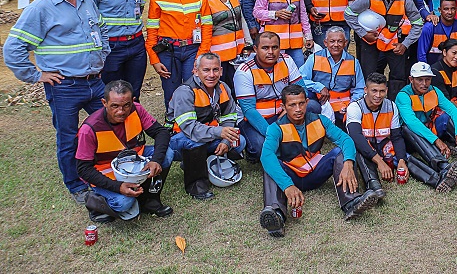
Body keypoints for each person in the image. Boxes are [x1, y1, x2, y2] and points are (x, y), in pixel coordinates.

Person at [4, 0, 109, 204]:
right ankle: (76, 185)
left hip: (95, 81)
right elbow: (12, 49)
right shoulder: (40, 8)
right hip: (65, 86)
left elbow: (101, 29)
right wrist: (36, 75)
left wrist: (102, 56)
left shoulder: (86, 0)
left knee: (109, 125)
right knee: (68, 137)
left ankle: (105, 169)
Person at [258, 85, 380, 237]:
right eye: (292, 105)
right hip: (291, 176)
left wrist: (349, 162)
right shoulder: (275, 128)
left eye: (301, 103)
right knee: (269, 164)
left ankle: (351, 202)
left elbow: (345, 139)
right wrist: (287, 185)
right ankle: (276, 215)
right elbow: (266, 156)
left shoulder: (320, 120)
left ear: (307, 102)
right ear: (283, 106)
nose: (298, 109)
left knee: (340, 152)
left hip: (316, 173)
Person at [75, 80, 173, 222]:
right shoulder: (89, 129)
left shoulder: (137, 110)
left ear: (132, 101)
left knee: (167, 154)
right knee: (123, 204)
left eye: (126, 105)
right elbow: (83, 169)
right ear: (104, 103)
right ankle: (94, 202)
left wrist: (155, 160)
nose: (121, 111)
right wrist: (118, 186)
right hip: (106, 173)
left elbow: (161, 132)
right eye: (114, 106)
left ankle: (149, 201)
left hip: (134, 162)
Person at [166, 53, 244, 200]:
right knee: (195, 141)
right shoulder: (185, 91)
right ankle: (196, 185)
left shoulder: (223, 87)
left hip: (207, 135)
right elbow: (190, 129)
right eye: (206, 70)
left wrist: (225, 141)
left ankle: (201, 163)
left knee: (240, 142)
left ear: (221, 71)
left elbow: (230, 118)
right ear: (195, 71)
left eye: (215, 70)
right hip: (178, 139)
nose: (211, 75)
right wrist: (219, 132)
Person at [82, 0, 148, 98]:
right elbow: (85, 19)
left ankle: (133, 123)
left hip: (136, 46)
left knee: (133, 93)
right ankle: (113, 124)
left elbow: (139, 9)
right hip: (110, 47)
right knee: (111, 95)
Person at [345, 0, 426, 97]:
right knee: (369, 74)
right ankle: (370, 105)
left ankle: (395, 107)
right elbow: (349, 14)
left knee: (398, 77)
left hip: (394, 43)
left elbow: (417, 23)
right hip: (370, 42)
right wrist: (363, 34)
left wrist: (405, 44)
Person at [146, 0, 213, 103]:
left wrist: (201, 55)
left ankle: (194, 123)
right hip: (168, 51)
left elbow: (207, 27)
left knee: (194, 87)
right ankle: (172, 122)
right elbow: (152, 32)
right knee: (171, 90)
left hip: (192, 50)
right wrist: (154, 60)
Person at [395, 63, 457, 190]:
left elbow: (454, 110)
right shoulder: (403, 95)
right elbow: (412, 122)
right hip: (409, 138)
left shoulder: (434, 90)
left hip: (429, 130)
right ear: (411, 79)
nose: (424, 83)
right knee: (409, 128)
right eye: (420, 79)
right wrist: (437, 141)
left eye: (428, 79)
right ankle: (443, 166)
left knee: (454, 118)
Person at [234, 32, 305, 160]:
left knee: (313, 107)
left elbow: (301, 91)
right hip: (254, 119)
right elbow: (249, 111)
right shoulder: (244, 72)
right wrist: (273, 134)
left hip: (283, 113)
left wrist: (286, 114)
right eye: (265, 48)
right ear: (255, 49)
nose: (271, 52)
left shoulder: (287, 60)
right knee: (260, 147)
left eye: (275, 47)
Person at [342, 73, 401, 198]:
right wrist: (379, 162)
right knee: (358, 148)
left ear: (387, 91)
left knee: (403, 157)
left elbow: (396, 137)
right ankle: (374, 186)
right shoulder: (355, 107)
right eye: (374, 91)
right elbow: (356, 136)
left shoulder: (391, 106)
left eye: (382, 91)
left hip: (383, 144)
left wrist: (402, 160)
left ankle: (435, 176)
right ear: (365, 90)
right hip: (365, 145)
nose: (378, 96)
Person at [299, 27, 365, 123]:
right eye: (332, 41)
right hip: (319, 101)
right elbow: (301, 80)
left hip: (343, 104)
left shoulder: (354, 62)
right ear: (325, 43)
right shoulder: (314, 58)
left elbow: (359, 88)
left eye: (340, 41)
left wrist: (352, 105)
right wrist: (319, 87)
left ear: (345, 43)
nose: (336, 45)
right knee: (309, 106)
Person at [205, 0, 253, 88]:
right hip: (218, 55)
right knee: (222, 89)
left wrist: (248, 42)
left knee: (238, 87)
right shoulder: (205, 0)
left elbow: (241, 19)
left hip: (238, 53)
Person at [418, 0, 457, 68]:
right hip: (434, 71)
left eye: (452, 9)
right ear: (440, 10)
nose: (450, 12)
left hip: (456, 71)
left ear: (456, 9)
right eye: (446, 9)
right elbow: (421, 53)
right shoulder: (430, 27)